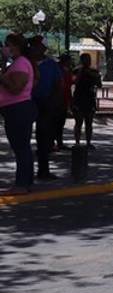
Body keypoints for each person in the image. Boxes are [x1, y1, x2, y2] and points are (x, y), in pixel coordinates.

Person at [0, 33, 37, 194]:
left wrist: (1, 77)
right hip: (14, 109)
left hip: (18, 108)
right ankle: (26, 182)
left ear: (16, 46)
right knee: (23, 147)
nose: (5, 47)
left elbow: (16, 88)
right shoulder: (17, 63)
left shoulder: (21, 63)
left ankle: (21, 184)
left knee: (20, 147)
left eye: (8, 44)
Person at [28, 36, 63, 180]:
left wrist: (54, 102)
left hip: (45, 102)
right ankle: (25, 173)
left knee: (43, 138)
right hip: (28, 102)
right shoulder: (26, 62)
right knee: (24, 138)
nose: (34, 48)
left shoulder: (50, 64)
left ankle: (43, 170)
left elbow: (58, 84)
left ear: (43, 48)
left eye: (37, 46)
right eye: (32, 45)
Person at [72, 53, 101, 148]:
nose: (87, 61)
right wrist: (81, 72)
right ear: (81, 60)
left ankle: (88, 142)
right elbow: (74, 82)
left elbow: (99, 85)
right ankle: (77, 142)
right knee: (78, 122)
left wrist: (95, 76)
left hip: (90, 99)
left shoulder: (94, 71)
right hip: (79, 99)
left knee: (89, 122)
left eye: (88, 59)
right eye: (85, 59)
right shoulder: (76, 71)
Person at [55, 54, 73, 149]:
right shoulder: (58, 70)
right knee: (56, 122)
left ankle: (59, 142)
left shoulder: (67, 71)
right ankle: (53, 142)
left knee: (60, 122)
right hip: (57, 99)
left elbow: (69, 87)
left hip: (64, 99)